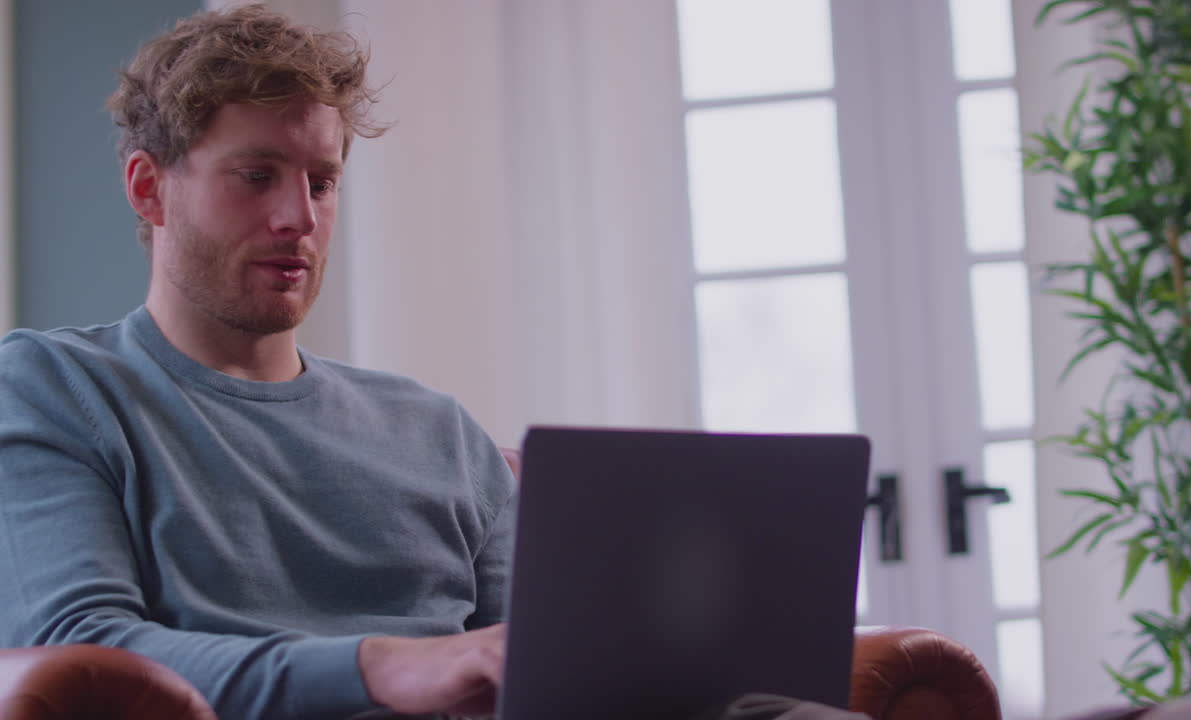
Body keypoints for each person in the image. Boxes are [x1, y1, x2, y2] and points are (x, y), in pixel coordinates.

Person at [0, 6, 865, 720]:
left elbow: (539, 672)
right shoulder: (54, 388)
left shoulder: (434, 429)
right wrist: (385, 667)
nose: (298, 217)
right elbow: (91, 649)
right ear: (149, 188)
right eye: (257, 175)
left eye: (322, 181)